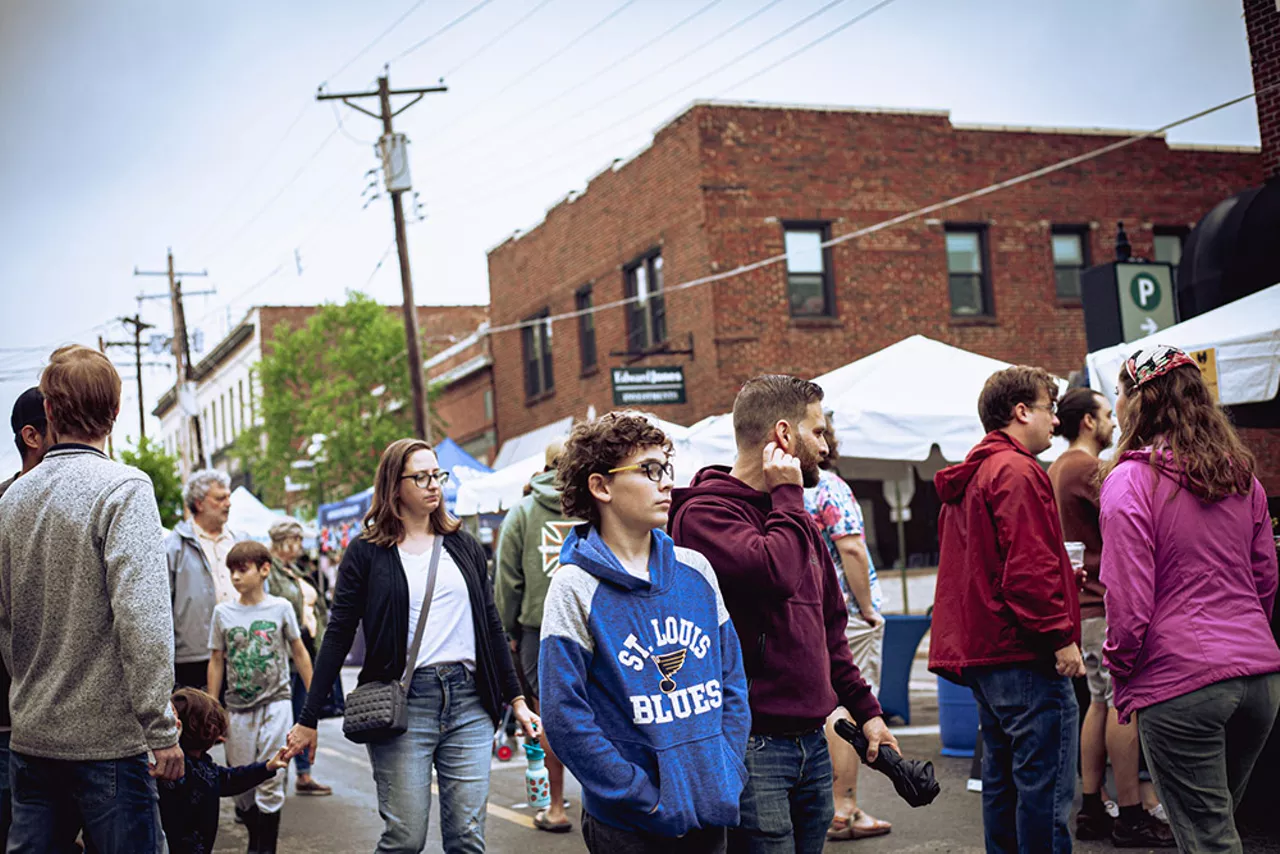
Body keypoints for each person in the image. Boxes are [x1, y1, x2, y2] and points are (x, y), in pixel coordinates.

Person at [670, 375, 898, 854]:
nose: (826, 445)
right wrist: (789, 497)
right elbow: (774, 573)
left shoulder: (797, 522)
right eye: (817, 432)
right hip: (753, 746)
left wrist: (868, 712)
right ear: (783, 435)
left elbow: (830, 632)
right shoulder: (706, 515)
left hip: (812, 745)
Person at [285, 438, 539, 853]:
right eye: (420, 477)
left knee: (467, 838)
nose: (432, 485)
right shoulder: (366, 553)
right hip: (403, 704)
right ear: (393, 485)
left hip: (470, 701)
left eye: (436, 475)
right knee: (405, 839)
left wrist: (518, 700)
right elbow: (338, 635)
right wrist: (308, 717)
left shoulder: (464, 544)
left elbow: (491, 626)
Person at [540, 413, 750, 854]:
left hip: (708, 804)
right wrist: (637, 794)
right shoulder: (574, 586)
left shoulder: (696, 570)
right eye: (649, 470)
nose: (666, 483)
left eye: (666, 469)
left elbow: (732, 681)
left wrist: (726, 770)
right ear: (601, 487)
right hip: (628, 823)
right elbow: (563, 715)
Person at [0, 345, 183, 852]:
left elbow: (6, 622)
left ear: (51, 411)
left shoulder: (12, 498)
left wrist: (32, 694)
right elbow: (142, 616)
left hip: (32, 738)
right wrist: (161, 728)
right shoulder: (124, 489)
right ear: (117, 412)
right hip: (109, 748)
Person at [1099, 344, 1280, 853]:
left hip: (1181, 683)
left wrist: (1122, 670)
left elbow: (1129, 601)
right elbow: (1265, 578)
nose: (1115, 404)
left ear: (1136, 401)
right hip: (1257, 677)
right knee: (1217, 829)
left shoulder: (1129, 482)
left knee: (1208, 839)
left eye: (1118, 393)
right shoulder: (1242, 478)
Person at [929, 365, 1084, 854]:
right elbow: (1028, 569)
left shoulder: (977, 473)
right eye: (1049, 409)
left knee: (1004, 782)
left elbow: (994, 566)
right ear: (1021, 412)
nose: (1055, 423)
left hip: (986, 651)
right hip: (1023, 650)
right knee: (1045, 787)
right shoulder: (1017, 471)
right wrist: (1061, 636)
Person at [1048, 388, 1173, 848]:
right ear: (1086, 422)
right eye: (1105, 414)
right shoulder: (1089, 469)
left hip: (1083, 606)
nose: (1112, 422)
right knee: (1124, 703)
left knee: (1099, 702)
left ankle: (1093, 806)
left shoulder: (1057, 468)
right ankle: (1131, 812)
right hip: (1104, 600)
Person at [803, 414, 890, 842]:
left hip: (805, 616)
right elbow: (852, 548)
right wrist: (868, 607)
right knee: (849, 707)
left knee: (821, 707)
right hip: (845, 613)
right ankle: (845, 807)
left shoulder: (781, 489)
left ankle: (827, 805)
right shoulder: (829, 487)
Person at [207, 540, 314, 854]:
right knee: (242, 783)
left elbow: (299, 652)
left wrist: (313, 702)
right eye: (232, 571)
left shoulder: (281, 608)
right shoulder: (222, 613)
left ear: (264, 569)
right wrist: (214, 708)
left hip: (277, 702)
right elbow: (216, 659)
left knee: (272, 771)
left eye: (243, 570)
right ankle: (255, 833)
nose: (236, 577)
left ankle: (262, 848)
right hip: (237, 708)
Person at [495, 438, 574, 833]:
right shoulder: (593, 504)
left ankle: (556, 807)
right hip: (593, 624)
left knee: (547, 715)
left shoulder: (522, 513)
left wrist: (508, 630)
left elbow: (506, 581)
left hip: (539, 630)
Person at [0, 387, 53, 850]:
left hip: (83, 728)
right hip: (11, 720)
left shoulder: (91, 496)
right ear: (31, 436)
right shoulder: (5, 506)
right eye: (64, 423)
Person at [158, 687, 289, 854]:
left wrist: (267, 767)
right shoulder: (177, 769)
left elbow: (232, 778)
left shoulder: (204, 766)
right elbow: (230, 779)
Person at [266, 518, 333, 797]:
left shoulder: (294, 570)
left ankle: (304, 774)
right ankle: (267, 776)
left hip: (306, 650)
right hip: (284, 654)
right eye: (297, 539)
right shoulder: (270, 571)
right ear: (285, 541)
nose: (301, 545)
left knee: (304, 713)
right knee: (280, 717)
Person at [166, 468, 246, 689]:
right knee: (205, 721)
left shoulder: (241, 541)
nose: (228, 503)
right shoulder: (173, 547)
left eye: (229, 497)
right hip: (195, 657)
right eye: (220, 498)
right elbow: (163, 607)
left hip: (244, 651)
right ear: (199, 503)